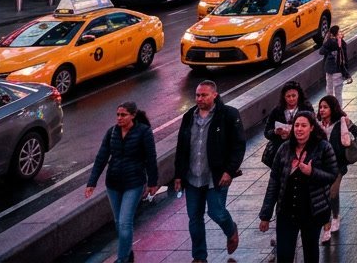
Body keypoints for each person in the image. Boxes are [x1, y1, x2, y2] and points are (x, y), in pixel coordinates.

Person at [173, 80, 245, 262]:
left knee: (216, 212)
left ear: (215, 95)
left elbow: (238, 145)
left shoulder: (228, 115)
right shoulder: (189, 116)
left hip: (216, 177)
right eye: (197, 95)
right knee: (194, 218)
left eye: (204, 95)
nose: (199, 98)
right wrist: (179, 175)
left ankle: (231, 229)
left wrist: (229, 171)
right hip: (193, 178)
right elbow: (181, 147)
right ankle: (199, 257)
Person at [258, 111, 338, 263]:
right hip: (286, 212)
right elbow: (274, 182)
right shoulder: (284, 149)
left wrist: (311, 172)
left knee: (310, 252)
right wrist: (265, 215)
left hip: (312, 211)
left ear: (312, 128)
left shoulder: (323, 147)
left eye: (303, 125)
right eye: (296, 125)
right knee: (284, 254)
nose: (299, 129)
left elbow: (332, 175)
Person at [86, 102, 159, 263]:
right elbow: (101, 157)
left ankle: (122, 259)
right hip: (113, 184)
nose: (119, 118)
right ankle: (128, 253)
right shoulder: (112, 132)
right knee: (119, 222)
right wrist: (92, 182)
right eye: (118, 115)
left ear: (133, 115)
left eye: (123, 115)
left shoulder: (144, 132)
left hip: (134, 184)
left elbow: (151, 158)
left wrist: (153, 182)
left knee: (125, 222)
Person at [315, 95, 357, 244]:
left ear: (332, 108)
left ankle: (333, 219)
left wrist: (351, 127)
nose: (322, 110)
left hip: (337, 165)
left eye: (325, 107)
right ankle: (328, 224)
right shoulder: (317, 125)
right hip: (320, 166)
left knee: (332, 192)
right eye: (320, 107)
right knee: (325, 194)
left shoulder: (341, 123)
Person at [264, 81, 313, 159]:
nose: (291, 99)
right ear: (284, 97)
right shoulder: (277, 111)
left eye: (294, 96)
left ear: (298, 95)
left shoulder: (306, 108)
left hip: (302, 146)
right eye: (288, 96)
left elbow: (313, 128)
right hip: (282, 148)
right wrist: (275, 132)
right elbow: (267, 132)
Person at [320, 25, 349, 102]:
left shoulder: (342, 43)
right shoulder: (330, 42)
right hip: (330, 70)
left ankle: (338, 110)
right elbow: (321, 51)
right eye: (339, 31)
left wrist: (346, 71)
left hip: (338, 70)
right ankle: (331, 108)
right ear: (336, 33)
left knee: (337, 92)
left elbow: (345, 58)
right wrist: (330, 51)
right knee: (330, 90)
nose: (341, 33)